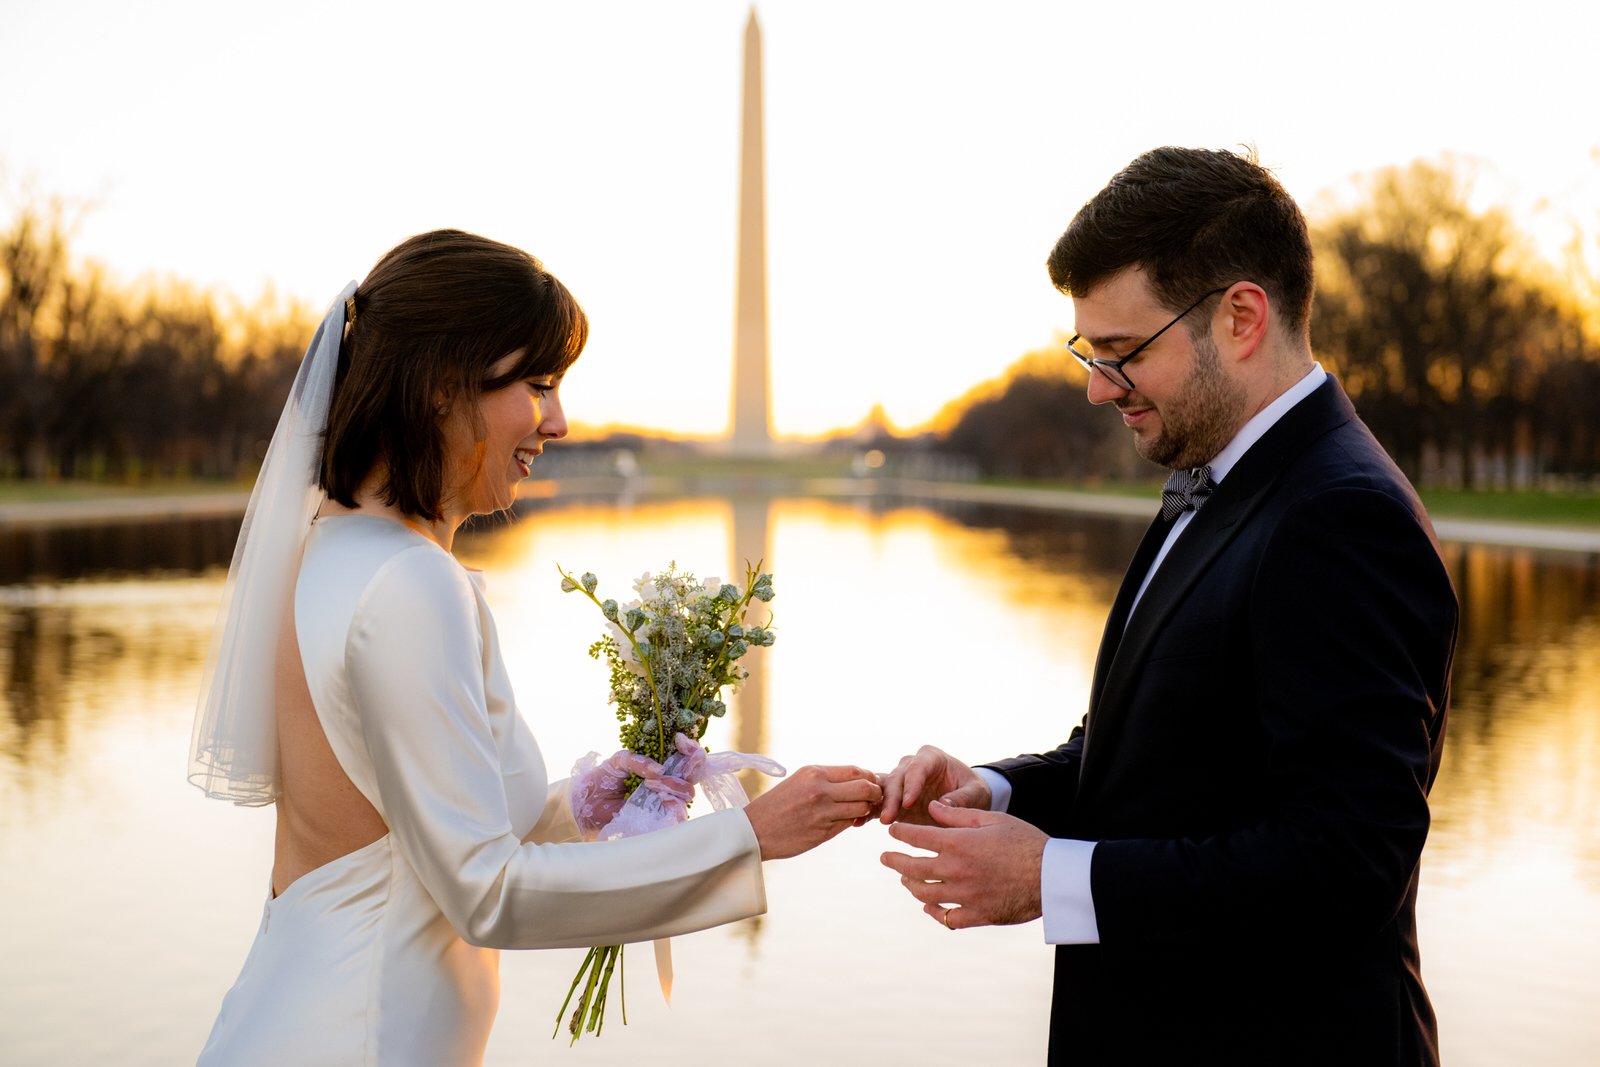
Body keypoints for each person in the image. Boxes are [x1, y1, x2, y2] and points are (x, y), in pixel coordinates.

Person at [188, 229, 880, 1065]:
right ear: (445, 386)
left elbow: (400, 835)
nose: (558, 420)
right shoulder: (411, 585)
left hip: (298, 1014)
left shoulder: (330, 548)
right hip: (360, 1037)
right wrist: (752, 835)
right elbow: (486, 891)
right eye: (540, 384)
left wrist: (581, 804)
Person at [878, 147, 1457, 1066]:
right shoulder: (1213, 475)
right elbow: (1150, 757)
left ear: (1239, 317)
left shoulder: (1343, 515)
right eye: (1089, 352)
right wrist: (993, 789)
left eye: (1123, 353)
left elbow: (1346, 864)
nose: (1097, 386)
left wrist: (1051, 876)